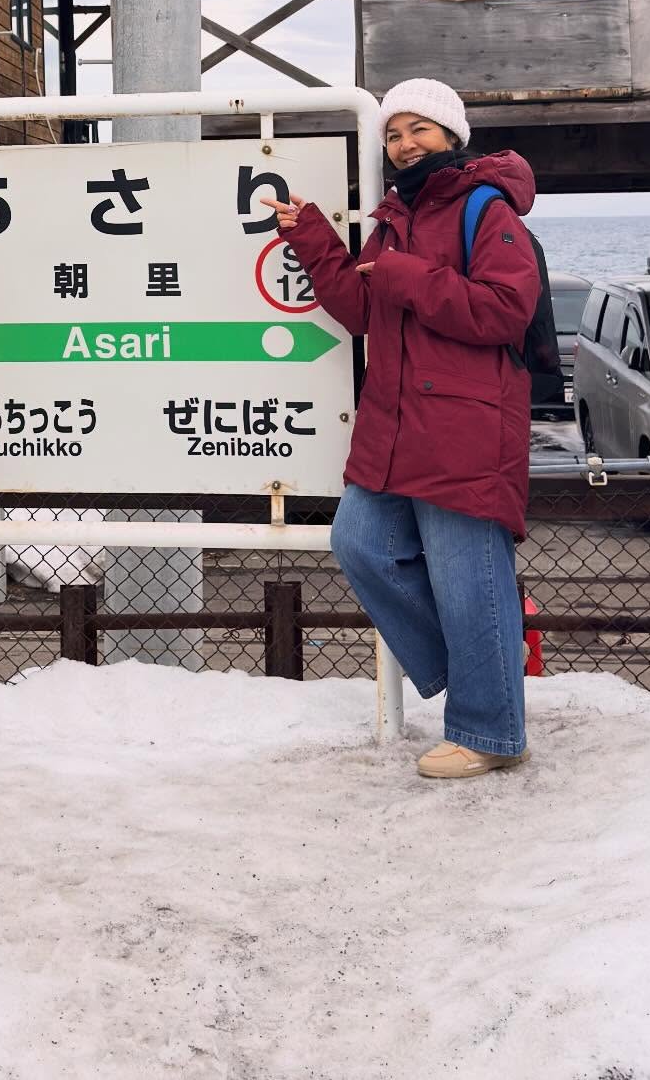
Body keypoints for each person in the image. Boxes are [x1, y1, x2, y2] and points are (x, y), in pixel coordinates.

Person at [261, 78, 540, 780]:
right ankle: (488, 670)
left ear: (452, 135)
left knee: (467, 580)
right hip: (395, 426)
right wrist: (312, 235)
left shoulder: (485, 206)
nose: (405, 143)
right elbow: (363, 309)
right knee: (360, 543)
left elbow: (506, 308)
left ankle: (491, 731)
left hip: (465, 428)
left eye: (420, 128)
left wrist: (406, 275)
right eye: (394, 133)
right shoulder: (394, 218)